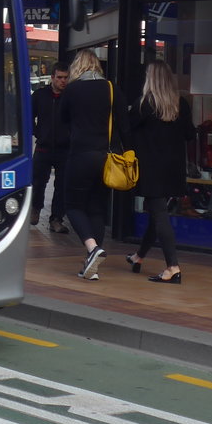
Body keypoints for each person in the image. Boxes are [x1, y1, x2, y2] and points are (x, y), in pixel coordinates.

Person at [59, 48, 129, 281]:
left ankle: (92, 248)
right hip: (106, 158)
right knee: (97, 208)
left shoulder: (72, 90)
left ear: (77, 66)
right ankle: (93, 265)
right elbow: (124, 124)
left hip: (80, 155)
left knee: (73, 205)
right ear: (97, 65)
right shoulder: (111, 88)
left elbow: (62, 120)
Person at [126, 61, 195, 284]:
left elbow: (127, 130)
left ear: (151, 79)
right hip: (173, 168)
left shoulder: (145, 103)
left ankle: (172, 267)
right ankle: (138, 256)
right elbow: (190, 134)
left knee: (159, 214)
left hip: (151, 168)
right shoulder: (180, 104)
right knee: (158, 213)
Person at [30, 61, 70, 233]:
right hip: (43, 146)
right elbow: (28, 116)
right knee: (38, 182)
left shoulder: (70, 97)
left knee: (62, 185)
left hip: (64, 148)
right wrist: (39, 133)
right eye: (60, 77)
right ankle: (36, 209)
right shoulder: (40, 95)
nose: (63, 81)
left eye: (66, 78)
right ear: (52, 77)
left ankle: (56, 218)